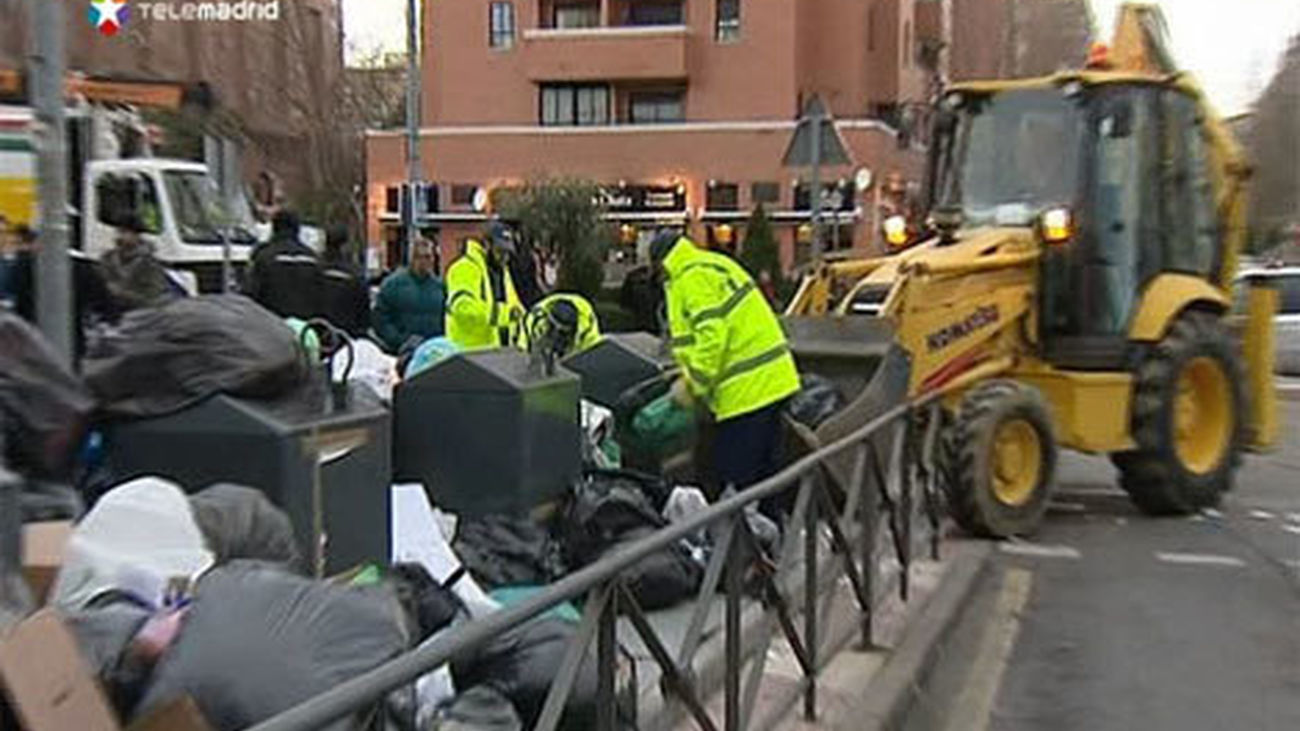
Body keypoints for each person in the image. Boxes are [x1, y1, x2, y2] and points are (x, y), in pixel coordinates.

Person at [650, 231, 801, 497]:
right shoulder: (715, 264)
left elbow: (712, 338)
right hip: (772, 380)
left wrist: (692, 384)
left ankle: (743, 535)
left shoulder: (689, 278)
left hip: (747, 391)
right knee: (766, 477)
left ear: (660, 264)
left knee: (734, 481)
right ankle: (773, 532)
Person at [444, 222, 524, 350]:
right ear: (487, 245)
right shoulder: (465, 268)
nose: (505, 258)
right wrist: (504, 314)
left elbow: (516, 309)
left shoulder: (502, 273)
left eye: (507, 253)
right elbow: (463, 308)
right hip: (466, 354)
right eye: (500, 251)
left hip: (496, 354)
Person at [372, 238, 446, 353]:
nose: (424, 261)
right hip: (401, 352)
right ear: (412, 259)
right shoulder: (393, 285)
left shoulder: (440, 287)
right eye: (419, 257)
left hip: (433, 351)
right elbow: (380, 319)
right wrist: (399, 340)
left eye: (428, 257)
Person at [244, 210, 321, 319]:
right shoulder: (312, 258)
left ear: (274, 228)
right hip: (305, 326)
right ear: (297, 229)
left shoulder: (263, 256)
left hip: (272, 324)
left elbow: (251, 294)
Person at [100, 228, 173, 312]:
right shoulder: (108, 258)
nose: (120, 236)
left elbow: (155, 295)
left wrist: (124, 294)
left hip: (139, 313)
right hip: (110, 311)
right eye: (119, 232)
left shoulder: (149, 263)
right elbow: (102, 282)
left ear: (136, 236)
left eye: (125, 232)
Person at [318, 225, 370, 336]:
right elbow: (363, 312)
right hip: (347, 335)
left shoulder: (316, 269)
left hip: (319, 332)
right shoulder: (354, 275)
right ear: (345, 245)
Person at [519, 292, 601, 360]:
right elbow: (522, 353)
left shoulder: (587, 330)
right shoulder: (534, 321)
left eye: (562, 333)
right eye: (552, 327)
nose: (556, 335)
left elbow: (591, 359)